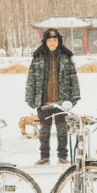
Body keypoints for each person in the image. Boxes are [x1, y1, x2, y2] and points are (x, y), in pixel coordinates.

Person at [25, 27, 80, 165]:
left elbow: (73, 78)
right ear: (45, 42)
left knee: (62, 129)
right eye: (49, 40)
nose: (52, 43)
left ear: (59, 41)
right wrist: (30, 97)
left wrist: (74, 96)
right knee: (44, 130)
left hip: (62, 99)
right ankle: (44, 156)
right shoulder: (38, 57)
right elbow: (31, 79)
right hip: (44, 99)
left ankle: (63, 156)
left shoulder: (66, 57)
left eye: (55, 40)